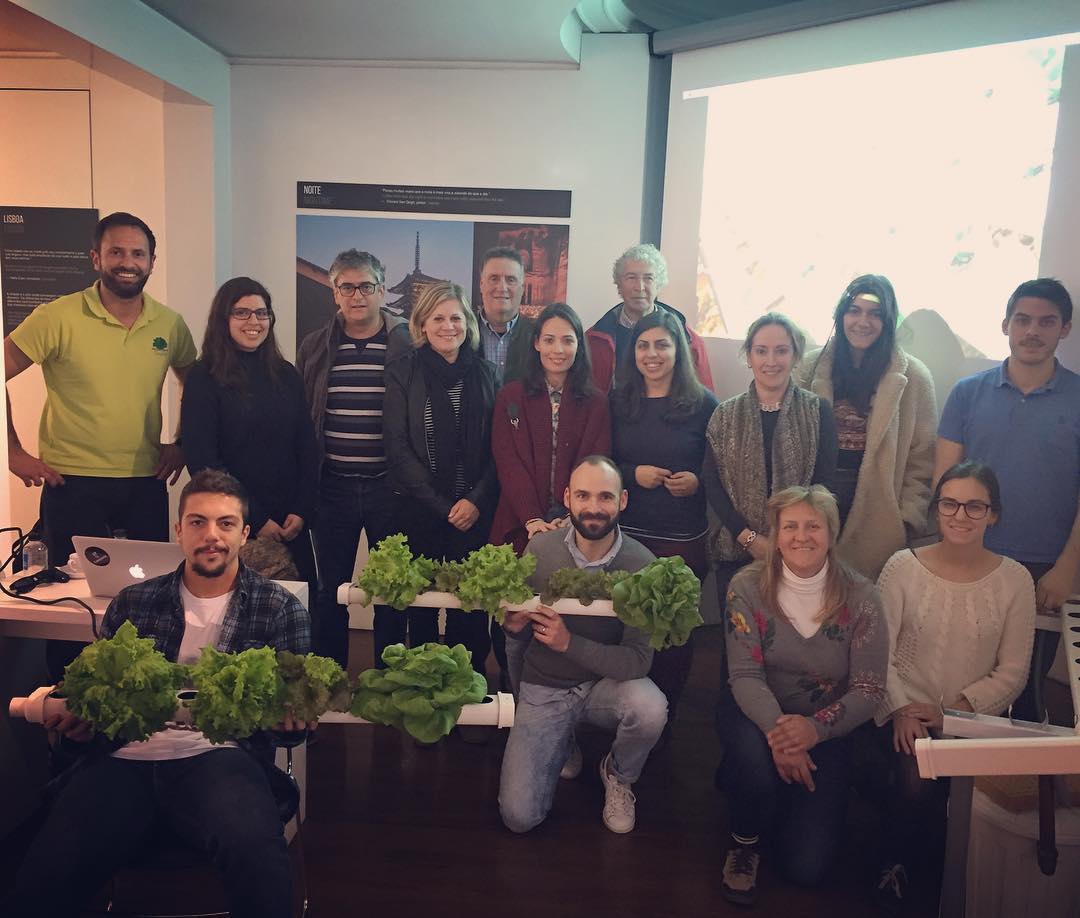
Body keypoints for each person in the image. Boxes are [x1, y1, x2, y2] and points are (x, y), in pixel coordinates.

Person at [4, 470, 312, 918]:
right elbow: (92, 687)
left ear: (244, 534)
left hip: (222, 758)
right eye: (197, 522)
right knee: (45, 874)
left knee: (256, 856)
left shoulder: (280, 607)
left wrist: (292, 719)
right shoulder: (134, 601)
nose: (211, 536)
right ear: (178, 530)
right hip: (122, 759)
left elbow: (291, 731)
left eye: (225, 524)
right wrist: (78, 720)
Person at [872, 462, 1034, 912]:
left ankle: (951, 882)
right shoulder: (901, 567)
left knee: (965, 809)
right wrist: (903, 709)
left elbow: (1014, 671)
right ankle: (896, 867)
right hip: (901, 712)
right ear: (937, 509)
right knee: (915, 776)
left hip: (972, 720)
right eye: (950, 503)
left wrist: (954, 713)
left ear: (993, 514)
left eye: (975, 505)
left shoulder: (1016, 580)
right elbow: (875, 655)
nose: (961, 514)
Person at [717, 485, 888, 905]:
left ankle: (777, 794)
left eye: (814, 526)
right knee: (753, 764)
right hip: (754, 715)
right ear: (775, 533)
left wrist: (812, 732)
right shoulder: (746, 587)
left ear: (832, 532)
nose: (801, 536)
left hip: (825, 728)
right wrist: (783, 737)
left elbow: (869, 689)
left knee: (805, 868)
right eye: (789, 526)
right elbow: (744, 674)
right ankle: (745, 841)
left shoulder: (863, 598)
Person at [4, 211, 195, 568]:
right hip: (72, 482)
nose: (128, 263)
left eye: (138, 254)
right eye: (116, 252)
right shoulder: (56, 317)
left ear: (152, 262)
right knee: (74, 600)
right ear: (96, 258)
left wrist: (183, 442)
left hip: (145, 480)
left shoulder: (170, 324)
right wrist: (10, 451)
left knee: (147, 596)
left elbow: (197, 386)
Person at [935, 277, 1080, 723]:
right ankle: (947, 789)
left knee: (1032, 697)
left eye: (1046, 322)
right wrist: (953, 558)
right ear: (1005, 325)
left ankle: (1038, 792)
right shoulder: (966, 394)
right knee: (964, 687)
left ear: (1065, 329)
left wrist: (1068, 567)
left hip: (1047, 569)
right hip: (974, 561)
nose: (1032, 331)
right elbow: (945, 484)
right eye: (1023, 320)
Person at [498, 456, 667, 835]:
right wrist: (512, 628)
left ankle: (619, 775)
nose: (593, 507)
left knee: (650, 707)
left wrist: (569, 643)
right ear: (567, 498)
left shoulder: (643, 564)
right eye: (583, 496)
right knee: (519, 817)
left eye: (605, 497)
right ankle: (563, 741)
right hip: (546, 688)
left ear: (622, 501)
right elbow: (518, 644)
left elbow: (639, 661)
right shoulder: (540, 551)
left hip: (607, 687)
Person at [295, 249, 412, 669]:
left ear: (381, 290)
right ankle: (330, 682)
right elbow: (302, 416)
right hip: (333, 488)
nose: (357, 295)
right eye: (347, 286)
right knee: (331, 590)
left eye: (366, 286)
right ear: (334, 293)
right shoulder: (315, 346)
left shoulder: (406, 343)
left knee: (391, 591)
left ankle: (389, 679)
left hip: (390, 487)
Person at [490, 303, 609, 691]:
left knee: (558, 616)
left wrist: (565, 518)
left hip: (571, 528)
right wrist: (531, 518)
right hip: (517, 523)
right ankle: (513, 699)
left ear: (579, 346)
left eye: (568, 340)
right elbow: (508, 461)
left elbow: (594, 462)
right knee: (512, 617)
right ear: (536, 344)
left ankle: (553, 701)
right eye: (550, 339)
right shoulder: (511, 395)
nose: (559, 348)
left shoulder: (596, 401)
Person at [383, 281, 498, 673]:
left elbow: (498, 451)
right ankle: (428, 689)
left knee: (471, 606)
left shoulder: (487, 375)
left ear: (468, 322)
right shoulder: (402, 373)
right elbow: (397, 447)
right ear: (421, 324)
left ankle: (469, 689)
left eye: (456, 317)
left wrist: (475, 501)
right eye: (438, 318)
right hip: (419, 509)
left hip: (475, 511)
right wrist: (444, 505)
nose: (448, 326)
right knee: (424, 608)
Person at [610, 310, 718, 722]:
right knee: (625, 628)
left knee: (674, 634)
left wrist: (697, 481)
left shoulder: (705, 404)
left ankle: (665, 715)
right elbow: (599, 462)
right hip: (627, 536)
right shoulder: (618, 401)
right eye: (643, 345)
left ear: (679, 350)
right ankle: (625, 712)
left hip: (681, 539)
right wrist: (630, 475)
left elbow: (721, 471)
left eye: (661, 345)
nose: (651, 354)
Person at [797, 275, 937, 579]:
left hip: (877, 506)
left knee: (862, 603)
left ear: (889, 320)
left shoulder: (914, 377)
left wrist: (906, 519)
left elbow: (922, 458)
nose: (863, 321)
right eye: (854, 310)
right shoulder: (809, 367)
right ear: (841, 314)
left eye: (875, 313)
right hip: (816, 492)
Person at [182, 277, 318, 582]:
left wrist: (301, 510)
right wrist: (254, 518)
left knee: (302, 612)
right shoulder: (204, 377)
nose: (254, 321)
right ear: (223, 319)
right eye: (242, 312)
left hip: (290, 521)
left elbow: (306, 447)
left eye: (262, 312)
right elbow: (203, 460)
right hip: (232, 523)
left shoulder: (287, 375)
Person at [704, 312, 837, 606]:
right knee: (739, 642)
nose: (771, 361)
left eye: (781, 350)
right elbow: (713, 486)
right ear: (749, 356)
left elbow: (824, 485)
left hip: (802, 552)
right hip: (736, 552)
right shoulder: (724, 416)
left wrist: (788, 539)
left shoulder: (818, 412)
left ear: (795, 355)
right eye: (761, 351)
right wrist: (750, 539)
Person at [586, 243, 714, 393]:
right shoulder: (593, 339)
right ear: (619, 285)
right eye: (631, 277)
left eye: (648, 278)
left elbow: (704, 401)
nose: (639, 287)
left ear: (659, 285)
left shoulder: (689, 340)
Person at [476, 245, 525, 383]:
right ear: (481, 284)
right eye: (494, 278)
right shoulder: (462, 334)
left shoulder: (537, 336)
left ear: (522, 288)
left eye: (510, 280)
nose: (502, 288)